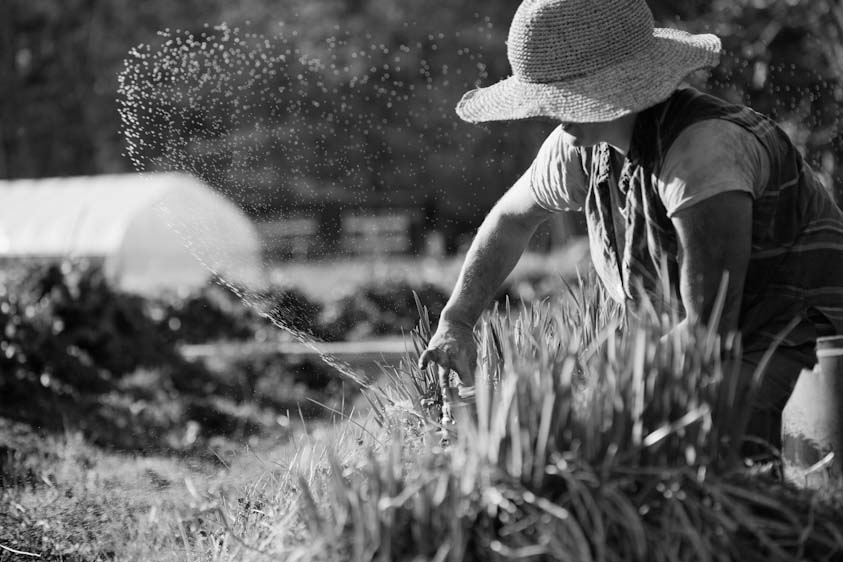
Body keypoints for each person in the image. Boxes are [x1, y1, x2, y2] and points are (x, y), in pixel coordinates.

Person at [418, 0, 843, 448]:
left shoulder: (704, 153)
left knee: (686, 441)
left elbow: (708, 333)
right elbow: (509, 221)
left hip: (810, 347)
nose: (552, 115)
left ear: (609, 93)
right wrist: (457, 319)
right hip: (722, 349)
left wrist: (577, 402)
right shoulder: (584, 144)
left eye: (563, 99)